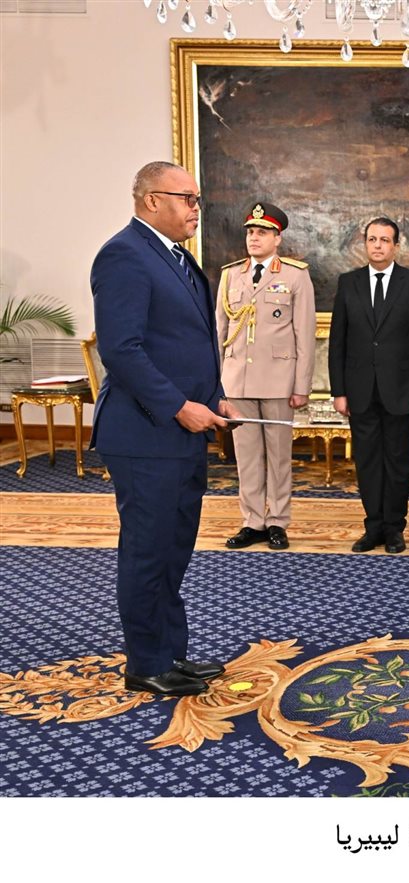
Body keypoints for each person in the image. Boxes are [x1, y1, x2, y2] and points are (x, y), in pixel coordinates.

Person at [90, 160, 236, 696]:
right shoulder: (124, 255)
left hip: (181, 431)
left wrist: (213, 397)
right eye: (187, 198)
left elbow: (186, 341)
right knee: (148, 552)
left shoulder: (175, 256)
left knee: (173, 550)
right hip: (145, 433)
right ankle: (146, 663)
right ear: (152, 200)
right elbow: (121, 349)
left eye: (197, 199)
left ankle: (171, 653)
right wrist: (178, 405)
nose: (196, 209)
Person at [328, 217, 409, 553]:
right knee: (367, 462)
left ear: (396, 246)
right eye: (372, 239)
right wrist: (339, 391)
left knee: (399, 462)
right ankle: (372, 526)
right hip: (359, 391)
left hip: (401, 391)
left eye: (385, 240)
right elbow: (337, 342)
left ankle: (394, 528)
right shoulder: (348, 283)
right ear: (364, 244)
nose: (378, 245)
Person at [217, 201, 316, 551]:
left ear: (278, 238)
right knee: (245, 457)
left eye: (262, 232)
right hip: (237, 380)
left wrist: (301, 386)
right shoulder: (231, 275)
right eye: (250, 232)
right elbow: (219, 332)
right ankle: (253, 521)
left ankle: (277, 521)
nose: (254, 238)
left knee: (278, 457)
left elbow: (305, 335)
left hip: (278, 381)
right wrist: (217, 384)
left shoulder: (295, 275)